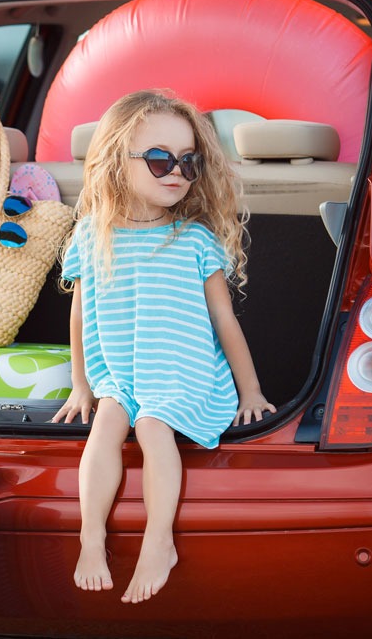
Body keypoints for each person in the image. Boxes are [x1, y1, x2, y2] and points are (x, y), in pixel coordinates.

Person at [51, 89, 276, 604]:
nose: (176, 171)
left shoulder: (195, 240)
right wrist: (80, 385)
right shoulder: (91, 234)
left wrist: (251, 392)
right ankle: (91, 538)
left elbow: (225, 321)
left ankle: (159, 541)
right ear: (116, 160)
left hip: (183, 373)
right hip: (122, 371)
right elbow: (80, 313)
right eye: (158, 159)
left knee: (152, 425)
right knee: (108, 421)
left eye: (188, 161)